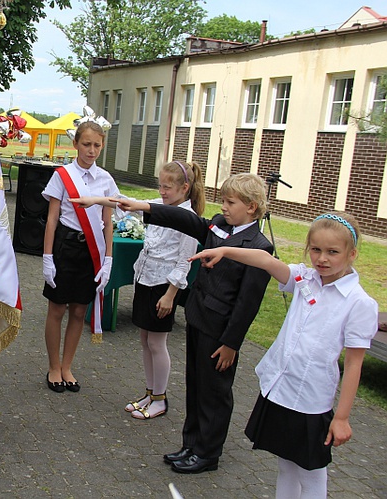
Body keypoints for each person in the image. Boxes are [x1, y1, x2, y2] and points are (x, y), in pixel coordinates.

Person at [189, 212, 378, 497]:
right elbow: (265, 261)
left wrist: (341, 417)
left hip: (311, 401)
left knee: (311, 473)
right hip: (281, 390)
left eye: (332, 252)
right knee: (286, 465)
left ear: (351, 254)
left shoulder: (359, 303)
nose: (322, 258)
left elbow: (354, 364)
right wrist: (225, 250)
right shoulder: (306, 278)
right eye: (316, 249)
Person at [106, 173, 273, 473]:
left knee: (215, 392)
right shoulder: (221, 226)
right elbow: (183, 220)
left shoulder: (259, 246)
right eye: (222, 200)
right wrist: (142, 207)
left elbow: (248, 303)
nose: (223, 207)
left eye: (230, 202)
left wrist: (231, 344)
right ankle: (191, 444)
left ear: (251, 207)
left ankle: (208, 453)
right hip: (199, 317)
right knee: (195, 386)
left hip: (221, 333)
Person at [74, 160, 205, 418]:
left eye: (168, 187)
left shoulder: (189, 219)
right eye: (160, 186)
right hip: (145, 280)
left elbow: (184, 263)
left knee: (157, 343)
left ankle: (160, 399)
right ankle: (150, 392)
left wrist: (170, 295)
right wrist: (96, 200)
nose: (163, 191)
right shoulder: (160, 205)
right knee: (145, 341)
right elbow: (127, 204)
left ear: (185, 187)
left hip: (162, 287)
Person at [41, 121, 118, 394]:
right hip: (66, 246)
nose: (92, 150)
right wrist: (47, 257)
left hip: (91, 251)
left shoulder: (106, 180)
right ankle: (53, 366)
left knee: (78, 310)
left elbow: (108, 223)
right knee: (58, 308)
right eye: (86, 144)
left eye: (97, 145)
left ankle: (67, 366)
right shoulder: (62, 176)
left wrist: (108, 259)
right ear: (75, 144)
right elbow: (51, 220)